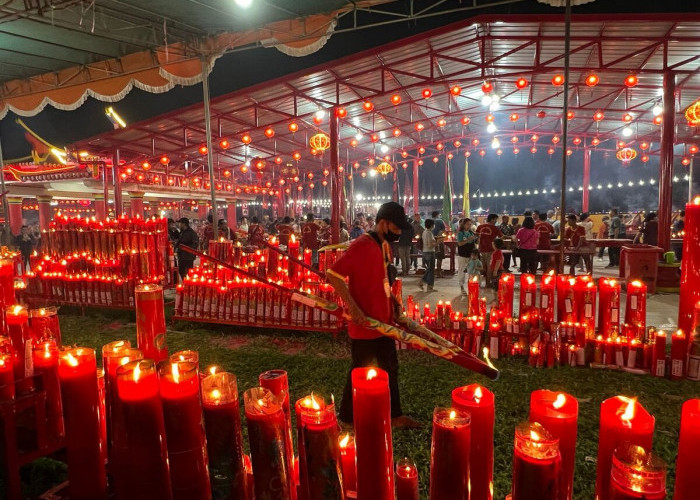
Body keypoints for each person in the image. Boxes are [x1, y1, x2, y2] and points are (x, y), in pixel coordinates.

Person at [327, 201, 419, 429]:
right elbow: (333, 274)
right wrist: (353, 308)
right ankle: (347, 419)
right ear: (383, 223)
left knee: (391, 368)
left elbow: (384, 281)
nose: (398, 232)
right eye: (396, 228)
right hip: (365, 325)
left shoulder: (384, 246)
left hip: (384, 323)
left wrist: (395, 306)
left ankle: (395, 416)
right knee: (359, 371)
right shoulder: (362, 245)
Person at [475, 213, 503, 285]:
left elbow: (476, 236)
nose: (496, 221)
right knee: (489, 268)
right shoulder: (495, 228)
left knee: (482, 267)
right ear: (493, 219)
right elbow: (501, 237)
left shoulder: (480, 226)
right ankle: (487, 283)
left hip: (481, 249)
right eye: (496, 219)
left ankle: (478, 283)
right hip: (490, 250)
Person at [456, 218, 478, 294]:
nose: (469, 226)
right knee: (462, 270)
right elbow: (460, 243)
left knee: (471, 271)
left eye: (470, 224)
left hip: (471, 255)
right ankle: (462, 286)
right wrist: (468, 240)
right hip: (463, 254)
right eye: (467, 224)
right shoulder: (460, 233)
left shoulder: (471, 233)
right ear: (463, 224)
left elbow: (475, 243)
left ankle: (471, 286)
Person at [419, 219, 437, 292]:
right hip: (430, 252)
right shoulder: (429, 233)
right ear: (432, 225)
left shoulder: (424, 232)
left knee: (429, 269)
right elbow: (430, 245)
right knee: (431, 270)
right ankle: (426, 284)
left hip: (425, 252)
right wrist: (438, 243)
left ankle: (427, 285)